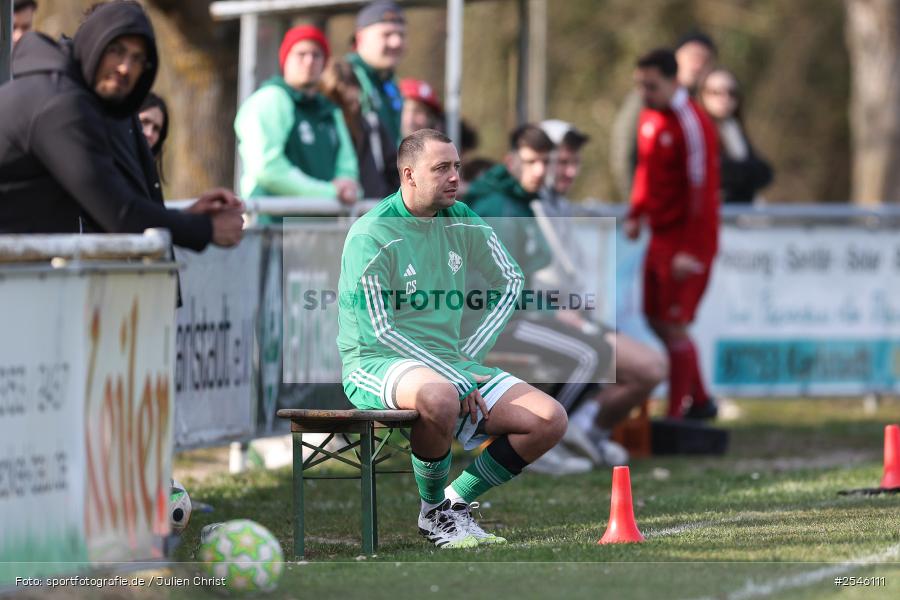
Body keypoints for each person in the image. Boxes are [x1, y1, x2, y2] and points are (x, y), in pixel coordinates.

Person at [337, 128, 567, 548]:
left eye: (457, 166)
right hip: (375, 361)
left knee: (549, 419)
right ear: (408, 175)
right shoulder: (372, 234)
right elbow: (380, 332)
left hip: (447, 362)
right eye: (441, 168)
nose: (455, 177)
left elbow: (510, 280)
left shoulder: (461, 217)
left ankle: (453, 504)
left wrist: (465, 358)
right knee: (441, 395)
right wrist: (453, 374)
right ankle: (432, 514)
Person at [0, 0, 243, 251]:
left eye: (137, 58)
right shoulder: (60, 104)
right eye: (116, 50)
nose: (125, 67)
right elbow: (120, 214)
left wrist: (187, 217)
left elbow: (106, 205)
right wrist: (206, 228)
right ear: (92, 43)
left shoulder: (63, 94)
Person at [464, 125, 630, 473]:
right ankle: (540, 442)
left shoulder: (521, 201)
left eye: (546, 162)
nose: (540, 171)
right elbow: (496, 289)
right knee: (589, 355)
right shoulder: (499, 207)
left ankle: (556, 437)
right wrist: (551, 311)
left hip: (515, 315)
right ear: (511, 161)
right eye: (531, 162)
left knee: (598, 350)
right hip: (492, 324)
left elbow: (521, 277)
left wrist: (554, 308)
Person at [538, 119, 667, 465]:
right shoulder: (528, 207)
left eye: (574, 162)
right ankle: (551, 438)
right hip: (540, 320)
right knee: (646, 366)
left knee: (653, 366)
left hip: (569, 316)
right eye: (561, 162)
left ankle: (585, 433)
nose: (570, 171)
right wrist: (559, 310)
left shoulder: (557, 205)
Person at [625, 48, 720, 420]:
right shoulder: (649, 117)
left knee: (675, 324)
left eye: (652, 85)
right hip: (660, 236)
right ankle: (701, 400)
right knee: (655, 318)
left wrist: (690, 249)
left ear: (673, 81)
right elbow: (645, 170)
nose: (644, 93)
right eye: (640, 85)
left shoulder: (691, 122)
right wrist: (637, 212)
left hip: (687, 239)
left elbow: (701, 190)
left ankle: (678, 413)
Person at [235, 24, 360, 208]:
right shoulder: (271, 99)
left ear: (324, 63)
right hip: (273, 220)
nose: (309, 61)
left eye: (316, 55)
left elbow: (347, 167)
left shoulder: (330, 110)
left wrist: (347, 187)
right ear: (285, 59)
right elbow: (267, 168)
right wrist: (329, 192)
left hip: (322, 219)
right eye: (301, 54)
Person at [611, 31, 717, 201]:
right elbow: (625, 150)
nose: (697, 66)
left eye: (704, 59)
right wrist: (637, 203)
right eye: (693, 57)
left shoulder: (706, 104)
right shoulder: (648, 100)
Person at [320, 58, 399, 199]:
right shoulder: (323, 129)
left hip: (373, 207)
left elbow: (395, 172)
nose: (350, 110)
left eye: (353, 102)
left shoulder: (373, 126)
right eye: (342, 104)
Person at [699, 67, 773, 204]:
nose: (724, 98)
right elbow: (712, 172)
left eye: (731, 93)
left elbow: (765, 172)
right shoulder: (696, 131)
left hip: (740, 210)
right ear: (702, 95)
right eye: (715, 92)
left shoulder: (733, 129)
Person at [138, 91, 168, 178]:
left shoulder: (148, 177)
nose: (149, 133)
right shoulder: (107, 162)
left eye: (156, 129)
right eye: (144, 122)